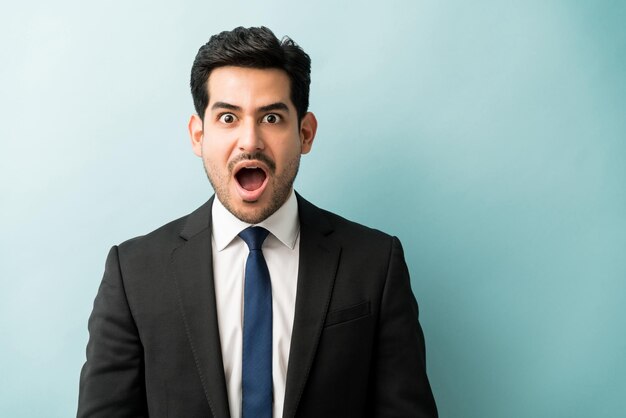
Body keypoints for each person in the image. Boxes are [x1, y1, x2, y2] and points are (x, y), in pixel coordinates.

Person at [77, 26, 438, 418]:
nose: (250, 141)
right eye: (228, 117)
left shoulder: (375, 264)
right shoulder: (133, 274)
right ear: (199, 135)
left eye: (271, 117)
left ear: (305, 133)